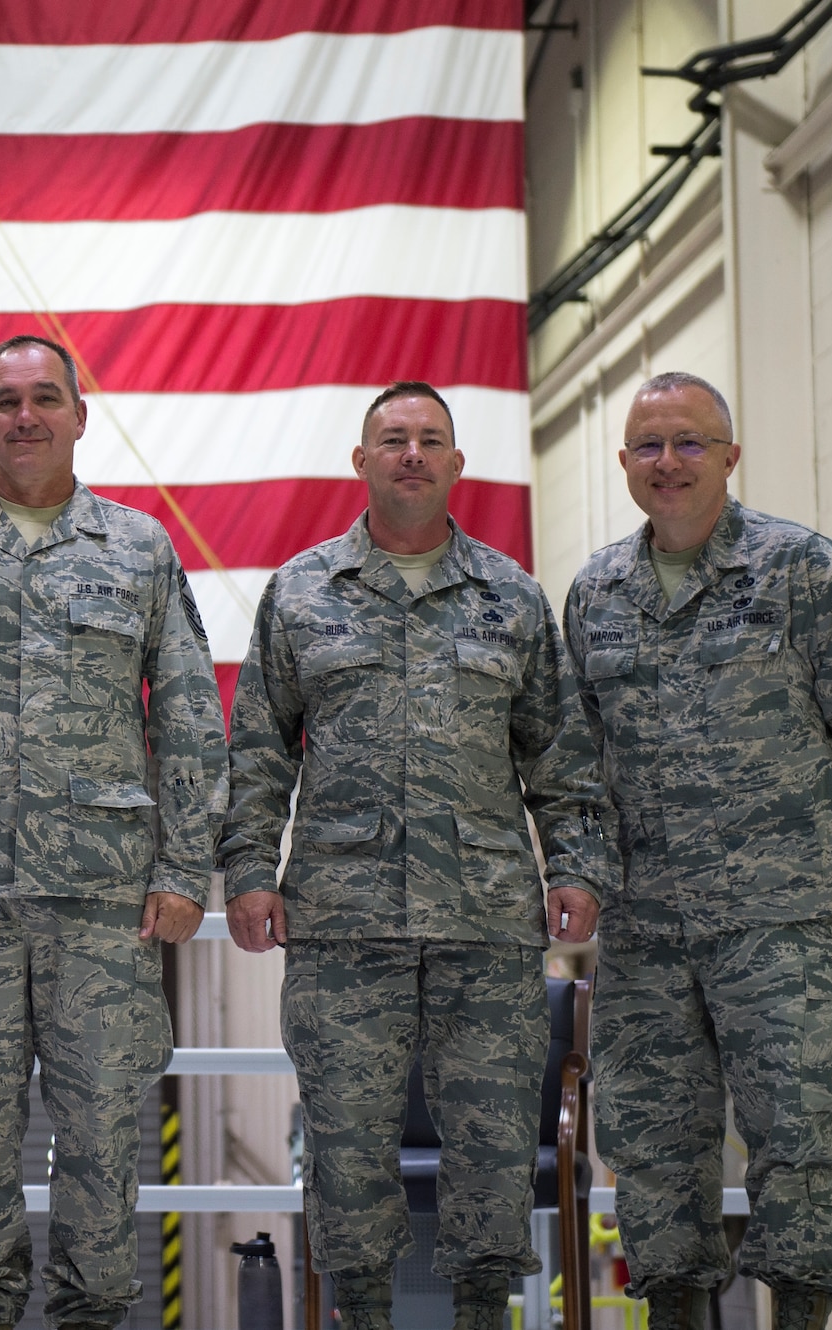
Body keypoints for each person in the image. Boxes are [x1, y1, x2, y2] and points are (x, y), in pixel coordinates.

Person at [219, 381, 614, 1330]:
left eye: (430, 439)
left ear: (455, 464)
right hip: (342, 928)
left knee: (488, 1166)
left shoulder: (512, 598)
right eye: (391, 439)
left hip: (485, 930)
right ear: (360, 463)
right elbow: (259, 747)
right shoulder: (303, 592)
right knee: (348, 1171)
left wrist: (575, 866)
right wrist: (246, 872)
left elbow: (558, 754)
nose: (411, 454)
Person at [0, 335, 227, 1330]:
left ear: (76, 414)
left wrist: (187, 868)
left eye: (44, 398)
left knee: (103, 1155)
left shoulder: (138, 547)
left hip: (103, 909)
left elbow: (189, 715)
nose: (25, 416)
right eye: (6, 400)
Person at [562, 372, 832, 1330]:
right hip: (648, 924)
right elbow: (580, 758)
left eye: (688, 442)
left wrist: (782, 823)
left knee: (796, 1134)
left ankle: (798, 1318)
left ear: (729, 454)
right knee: (652, 1141)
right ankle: (675, 1311)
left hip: (782, 917)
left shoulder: (804, 570)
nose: (667, 463)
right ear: (625, 461)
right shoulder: (594, 595)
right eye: (648, 446)